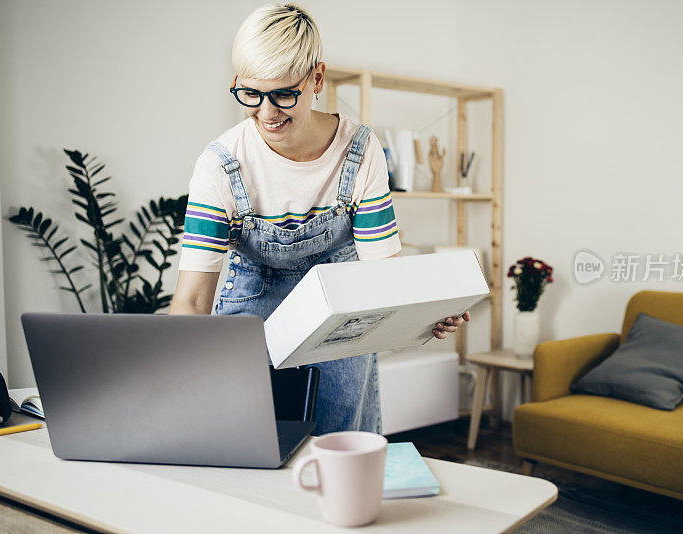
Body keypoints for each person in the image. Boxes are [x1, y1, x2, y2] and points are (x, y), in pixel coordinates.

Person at [170, 3, 470, 435]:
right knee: (252, 443)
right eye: (250, 94)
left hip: (344, 312)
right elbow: (193, 300)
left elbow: (383, 276)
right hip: (253, 305)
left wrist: (426, 313)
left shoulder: (360, 151)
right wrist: (174, 380)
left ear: (317, 78)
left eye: (283, 95)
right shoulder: (220, 165)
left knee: (341, 446)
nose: (267, 113)